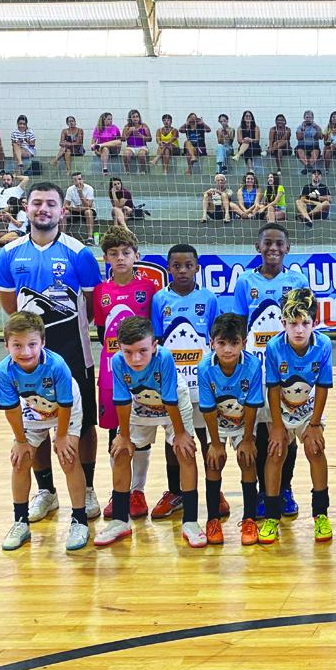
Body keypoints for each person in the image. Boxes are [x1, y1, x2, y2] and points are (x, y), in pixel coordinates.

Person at [0, 180, 104, 525]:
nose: (43, 209)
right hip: (31, 356)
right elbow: (11, 307)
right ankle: (46, 491)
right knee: (35, 420)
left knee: (84, 423)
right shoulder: (9, 254)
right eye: (37, 203)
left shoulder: (80, 253)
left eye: (51, 204)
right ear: (26, 207)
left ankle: (86, 488)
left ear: (62, 210)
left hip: (74, 351)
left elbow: (90, 305)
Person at [98, 317, 201, 548]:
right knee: (121, 452)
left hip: (173, 401)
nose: (136, 358)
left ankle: (191, 521)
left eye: (143, 351)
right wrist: (123, 436)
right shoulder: (117, 362)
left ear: (154, 345)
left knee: (185, 452)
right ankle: (119, 521)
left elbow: (170, 399)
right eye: (129, 352)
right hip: (140, 402)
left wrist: (181, 434)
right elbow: (122, 400)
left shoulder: (164, 357)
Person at [0, 312, 89, 552]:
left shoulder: (57, 365)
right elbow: (12, 409)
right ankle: (20, 522)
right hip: (33, 407)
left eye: (32, 344)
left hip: (65, 407)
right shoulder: (4, 371)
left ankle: (80, 520)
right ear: (6, 345)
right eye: (17, 345)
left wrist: (61, 436)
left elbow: (66, 404)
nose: (25, 352)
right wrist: (20, 441)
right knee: (20, 461)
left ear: (43, 343)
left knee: (68, 458)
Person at [233, 223, 308, 516]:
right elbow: (240, 325)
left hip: (289, 370)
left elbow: (304, 323)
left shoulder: (298, 280)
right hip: (256, 372)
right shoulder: (245, 282)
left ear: (287, 248)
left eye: (279, 243)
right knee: (264, 435)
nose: (273, 248)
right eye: (268, 243)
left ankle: (285, 488)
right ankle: (266, 492)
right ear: (258, 247)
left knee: (287, 434)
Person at [92, 226, 161, 524]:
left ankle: (137, 491)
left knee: (141, 433)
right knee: (115, 434)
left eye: (125, 253)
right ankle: (118, 491)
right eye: (113, 253)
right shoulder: (101, 291)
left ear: (136, 256)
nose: (119, 258)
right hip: (111, 374)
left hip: (145, 376)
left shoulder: (149, 289)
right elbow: (101, 332)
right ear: (105, 257)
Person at [151, 243, 222, 521]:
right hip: (172, 383)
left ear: (197, 267)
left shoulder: (209, 298)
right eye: (176, 266)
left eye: (188, 265)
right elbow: (157, 340)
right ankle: (175, 491)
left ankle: (215, 491)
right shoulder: (159, 299)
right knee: (174, 438)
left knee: (204, 437)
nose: (182, 271)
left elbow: (215, 341)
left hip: (201, 381)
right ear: (169, 268)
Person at [262, 287, 334, 545]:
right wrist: (278, 426)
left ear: (315, 322)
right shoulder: (273, 346)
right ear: (283, 323)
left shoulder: (323, 345)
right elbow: (271, 387)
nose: (299, 329)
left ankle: (321, 514)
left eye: (305, 323)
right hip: (280, 406)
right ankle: (272, 516)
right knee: (276, 451)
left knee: (315, 450)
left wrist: (314, 424)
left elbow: (324, 386)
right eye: (293, 323)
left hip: (308, 407)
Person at [198, 312, 264, 547]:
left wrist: (247, 440)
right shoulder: (205, 367)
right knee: (213, 462)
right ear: (211, 342)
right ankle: (212, 519)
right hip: (217, 422)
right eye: (222, 343)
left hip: (244, 421)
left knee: (247, 460)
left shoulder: (253, 365)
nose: (228, 349)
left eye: (234, 343)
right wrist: (216, 444)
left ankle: (249, 518)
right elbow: (206, 408)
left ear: (244, 343)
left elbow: (253, 406)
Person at [63, 171, 97, 245]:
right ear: (73, 181)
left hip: (88, 210)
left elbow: (88, 206)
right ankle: (62, 237)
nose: (77, 181)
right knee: (64, 213)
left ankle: (90, 238)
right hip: (75, 210)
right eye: (75, 180)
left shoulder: (89, 188)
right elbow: (65, 205)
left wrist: (80, 193)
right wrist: (76, 209)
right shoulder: (70, 189)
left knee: (88, 212)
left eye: (79, 179)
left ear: (83, 179)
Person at [121, 109, 151, 175]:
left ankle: (143, 171)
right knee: (125, 154)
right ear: (130, 118)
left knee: (141, 154)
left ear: (139, 117)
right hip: (130, 147)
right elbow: (123, 139)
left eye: (137, 116)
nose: (135, 118)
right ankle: (127, 171)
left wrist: (142, 136)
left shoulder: (144, 126)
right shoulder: (127, 127)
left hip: (142, 147)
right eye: (133, 117)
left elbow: (150, 139)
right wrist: (129, 131)